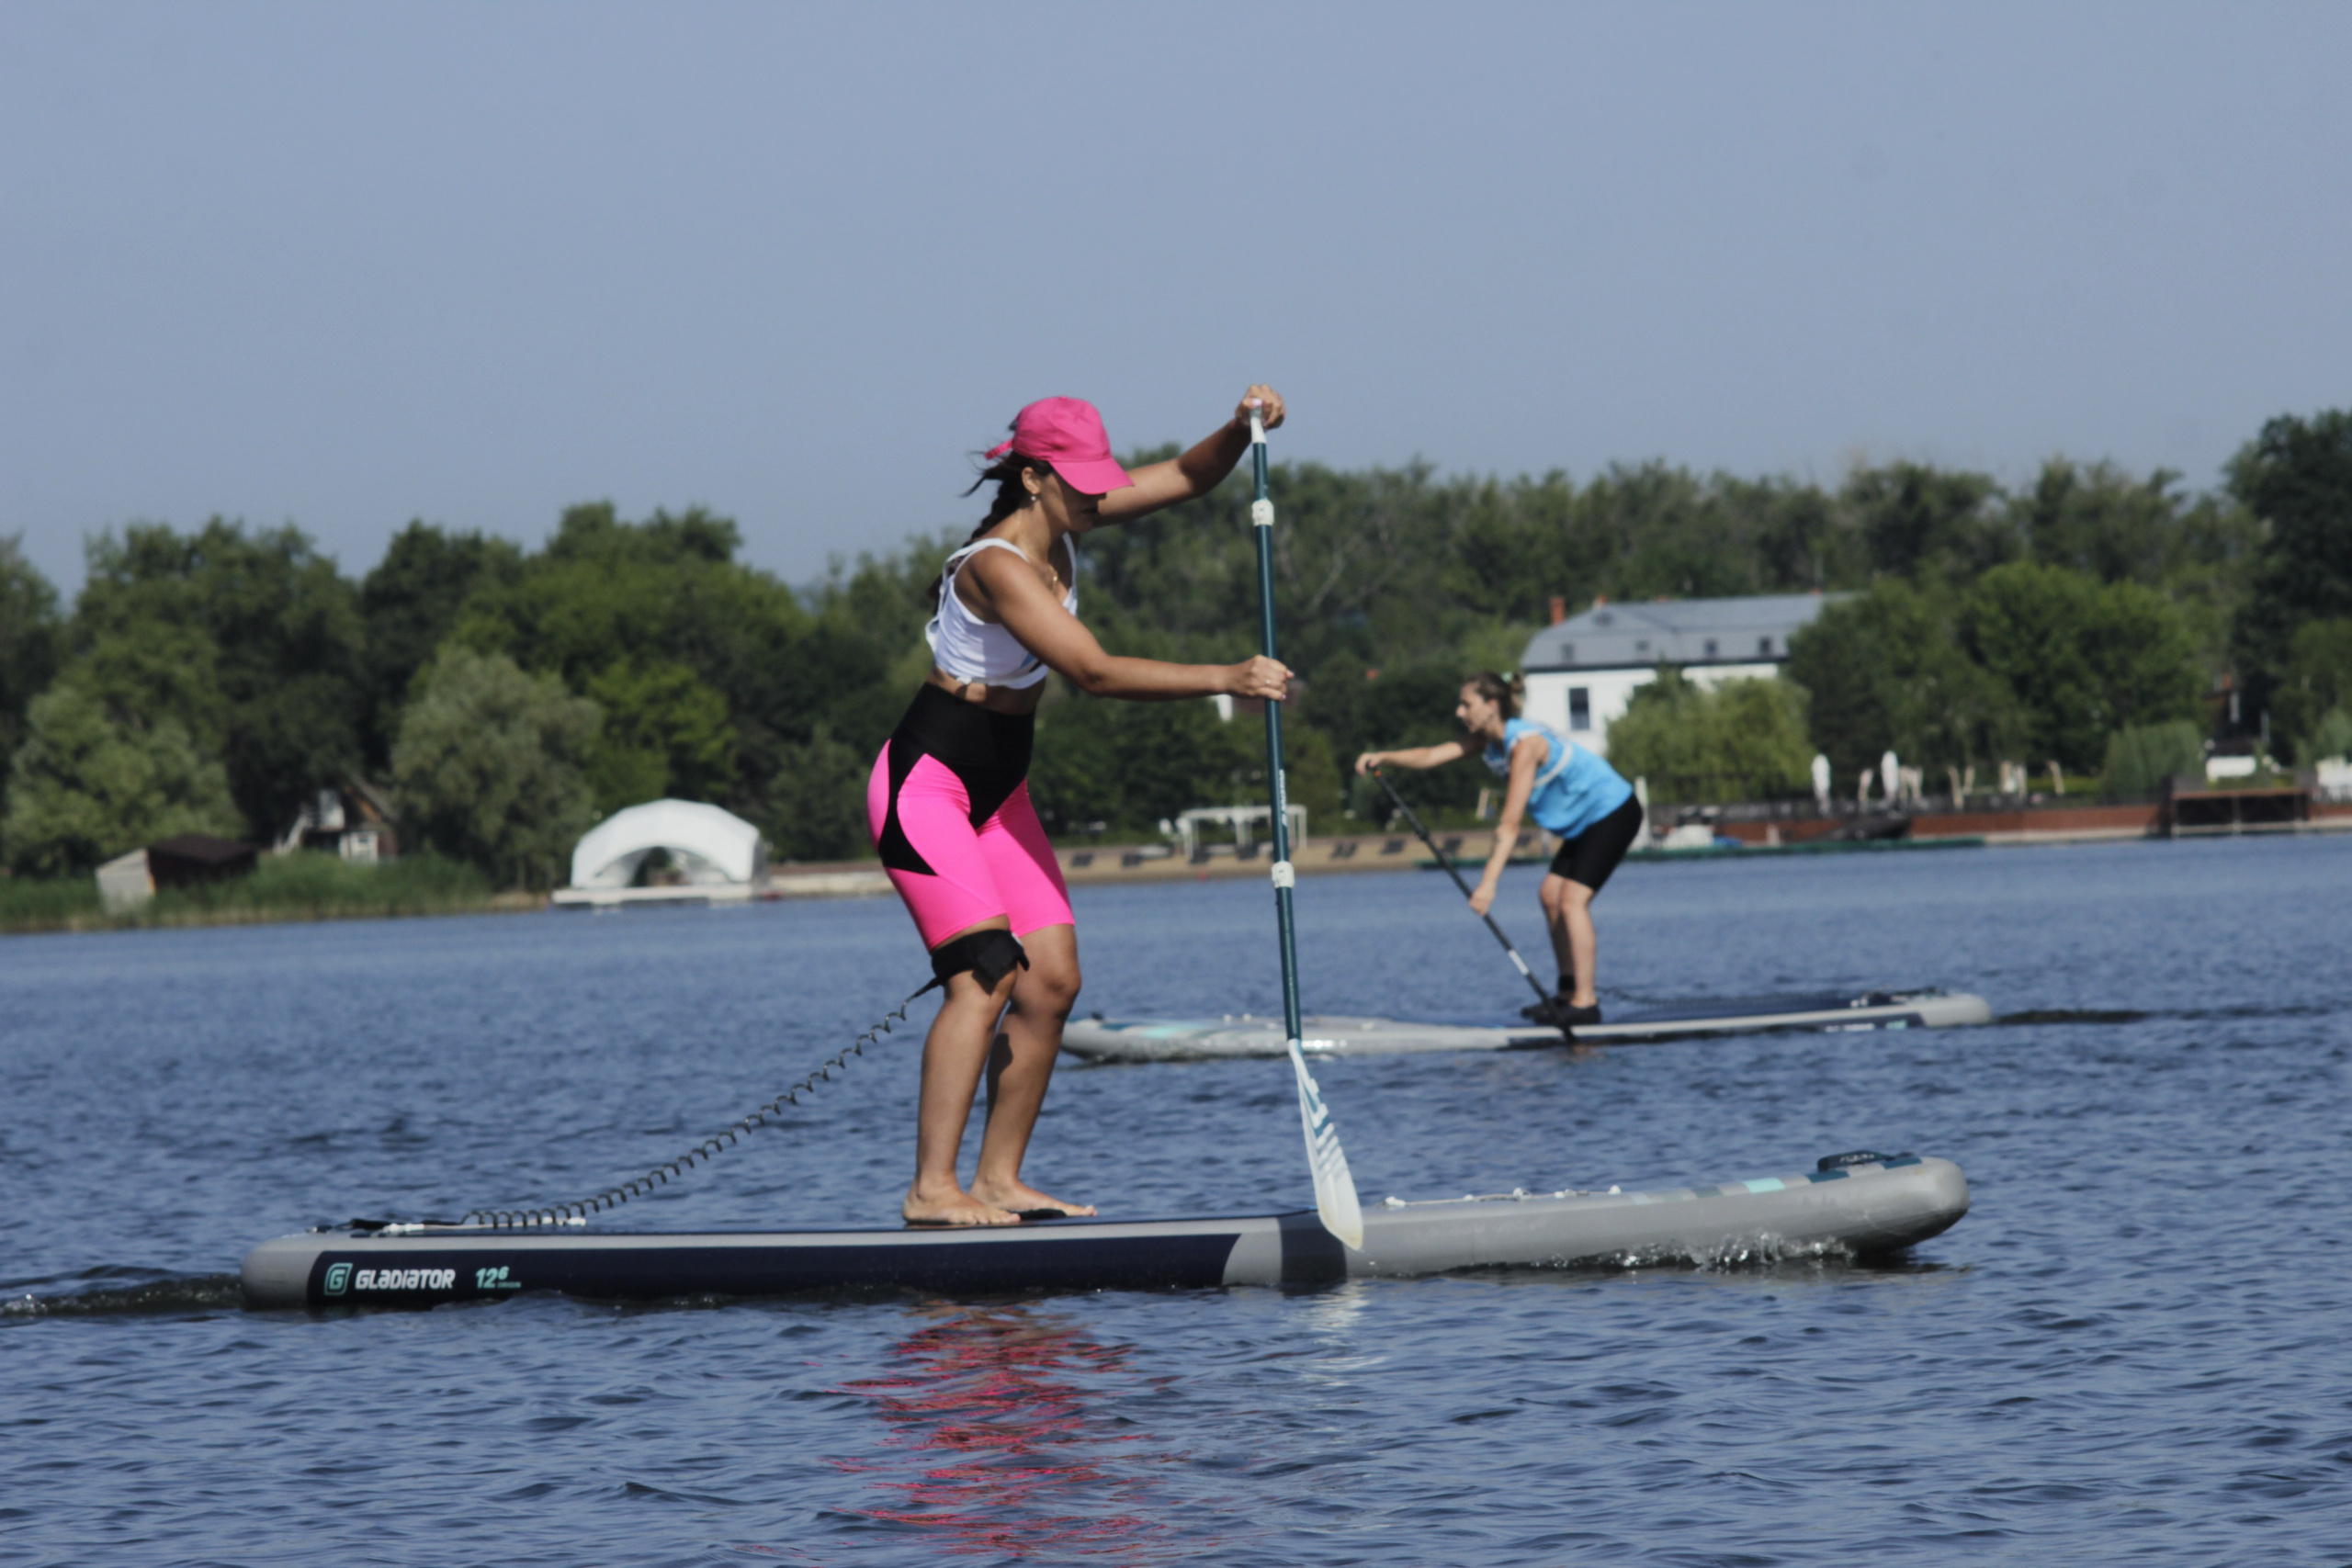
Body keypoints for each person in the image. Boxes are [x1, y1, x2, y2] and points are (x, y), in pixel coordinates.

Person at [870, 388, 1293, 1227]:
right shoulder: (996, 565)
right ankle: (931, 1189)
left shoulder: (1070, 513)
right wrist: (1226, 677)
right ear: (1033, 478)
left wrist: (1241, 427)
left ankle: (996, 1181)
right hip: (927, 787)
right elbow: (1093, 673)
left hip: (1001, 791)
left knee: (1054, 981)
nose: (1099, 496)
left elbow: (1184, 476)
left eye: (1101, 478)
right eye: (1081, 481)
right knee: (986, 978)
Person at [1354, 672, 1643, 1029]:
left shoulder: (1526, 745)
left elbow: (1509, 824)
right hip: (1585, 822)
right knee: (1549, 895)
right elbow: (1432, 755)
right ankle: (1567, 995)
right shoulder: (1487, 742)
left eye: (1466, 704)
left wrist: (1488, 884)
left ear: (1491, 707)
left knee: (1571, 901)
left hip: (1613, 812)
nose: (1460, 712)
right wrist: (1385, 757)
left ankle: (1586, 1003)